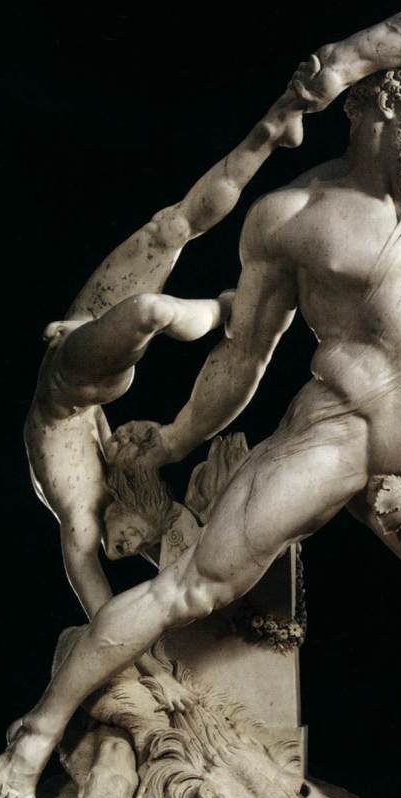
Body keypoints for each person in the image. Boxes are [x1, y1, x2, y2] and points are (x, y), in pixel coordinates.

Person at [0, 0, 401, 798]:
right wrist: (177, 438)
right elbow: (242, 357)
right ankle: (35, 736)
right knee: (192, 590)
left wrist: (347, 54)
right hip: (333, 438)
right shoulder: (291, 218)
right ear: (376, 113)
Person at [22, 85, 307, 706]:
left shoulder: (78, 517)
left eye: (120, 546)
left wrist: (149, 671)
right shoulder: (98, 492)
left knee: (167, 247)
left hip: (70, 372)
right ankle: (272, 129)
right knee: (166, 246)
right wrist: (158, 671)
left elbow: (96, 602)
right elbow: (131, 602)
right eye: (134, 548)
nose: (121, 548)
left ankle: (270, 134)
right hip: (87, 366)